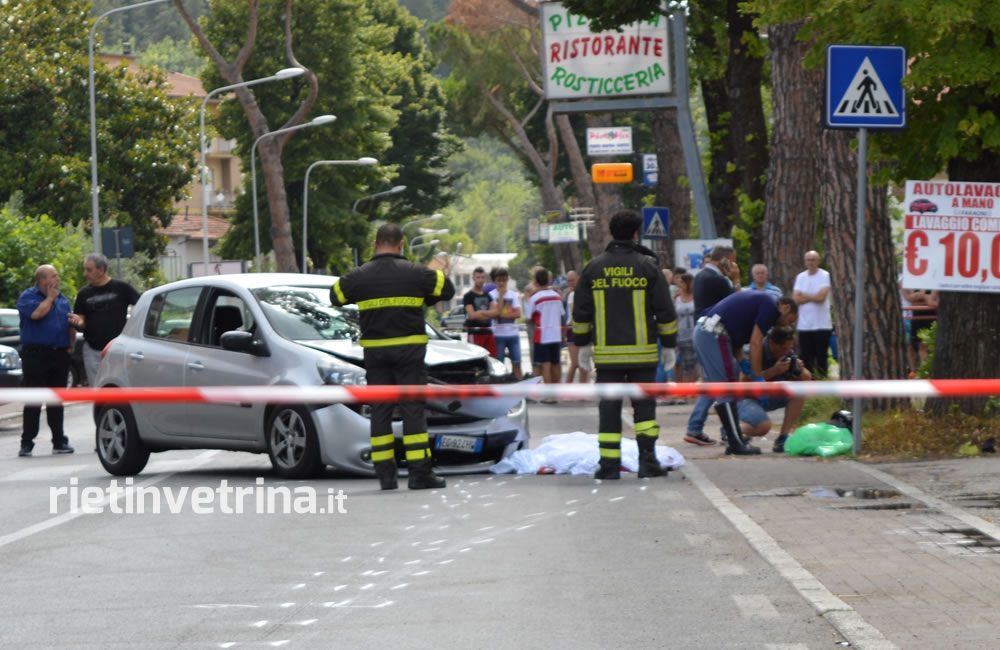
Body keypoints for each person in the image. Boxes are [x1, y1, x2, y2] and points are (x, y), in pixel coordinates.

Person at [330, 224, 455, 490]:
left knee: (381, 410)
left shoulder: (360, 276)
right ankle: (419, 474)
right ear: (401, 245)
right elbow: (448, 290)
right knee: (412, 410)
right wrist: (426, 297)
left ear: (375, 245)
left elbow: (336, 295)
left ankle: (385, 476)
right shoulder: (418, 273)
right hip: (410, 354)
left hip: (376, 355)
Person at [573, 210, 678, 480]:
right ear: (635, 234)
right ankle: (647, 462)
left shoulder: (594, 268)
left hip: (608, 358)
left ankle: (609, 466)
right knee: (645, 411)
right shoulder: (647, 266)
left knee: (609, 411)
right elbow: (665, 311)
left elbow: (581, 312)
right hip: (643, 355)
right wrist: (668, 345)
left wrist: (583, 345)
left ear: (611, 233)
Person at [692, 291, 798, 455]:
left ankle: (735, 439)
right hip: (714, 333)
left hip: (710, 331)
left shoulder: (761, 305)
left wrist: (742, 362)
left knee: (728, 382)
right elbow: (756, 343)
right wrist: (757, 377)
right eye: (790, 320)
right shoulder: (771, 307)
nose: (786, 326)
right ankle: (735, 442)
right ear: (785, 308)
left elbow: (737, 339)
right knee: (727, 387)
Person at [16, 265, 75, 457]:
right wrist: (50, 299)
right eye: (53, 276)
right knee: (34, 400)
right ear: (42, 281)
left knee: (56, 400)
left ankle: (59, 440)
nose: (58, 279)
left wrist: (70, 347)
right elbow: (36, 314)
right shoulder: (28, 297)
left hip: (59, 354)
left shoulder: (63, 300)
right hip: (36, 355)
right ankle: (27, 443)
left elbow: (69, 324)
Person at [684, 246, 740, 446]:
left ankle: (696, 427)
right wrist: (735, 280)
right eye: (731, 262)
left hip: (703, 332)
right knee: (726, 379)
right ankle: (728, 430)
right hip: (714, 334)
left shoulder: (701, 275)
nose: (734, 266)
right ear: (724, 261)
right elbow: (736, 302)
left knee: (712, 382)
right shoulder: (717, 280)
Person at [735, 327, 812, 453]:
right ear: (772, 343)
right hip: (746, 398)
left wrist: (800, 369)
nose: (787, 351)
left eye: (789, 348)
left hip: (768, 396)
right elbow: (744, 382)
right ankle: (732, 429)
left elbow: (808, 378)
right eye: (783, 348)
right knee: (763, 427)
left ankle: (783, 439)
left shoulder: (787, 353)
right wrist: (774, 371)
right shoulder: (753, 350)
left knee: (799, 390)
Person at [68, 253, 141, 386]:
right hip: (92, 350)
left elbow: (142, 305)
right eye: (85, 269)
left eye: (89, 270)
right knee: (96, 389)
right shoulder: (84, 293)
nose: (85, 274)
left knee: (119, 387)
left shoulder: (121, 288)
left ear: (101, 270)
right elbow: (81, 321)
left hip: (118, 349)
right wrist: (78, 323)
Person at [525, 267, 564, 399]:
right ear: (548, 280)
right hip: (556, 334)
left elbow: (529, 318)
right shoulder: (557, 296)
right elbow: (561, 314)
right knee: (556, 364)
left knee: (546, 365)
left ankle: (549, 396)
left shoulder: (535, 298)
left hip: (542, 335)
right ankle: (556, 392)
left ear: (535, 280)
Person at [793, 250, 832, 377]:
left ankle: (822, 384)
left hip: (822, 324)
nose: (811, 262)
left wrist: (803, 294)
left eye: (813, 259)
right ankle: (807, 384)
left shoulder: (824, 275)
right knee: (806, 357)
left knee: (821, 357)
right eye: (808, 260)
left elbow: (821, 298)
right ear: (805, 262)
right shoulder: (800, 277)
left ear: (818, 261)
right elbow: (795, 298)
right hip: (805, 325)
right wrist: (813, 297)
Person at [486, 268, 523, 380]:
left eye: (504, 280)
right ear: (495, 281)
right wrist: (501, 296)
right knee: (499, 364)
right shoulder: (491, 295)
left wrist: (500, 314)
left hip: (513, 334)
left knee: (517, 362)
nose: (501, 283)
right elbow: (495, 314)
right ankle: (500, 386)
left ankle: (520, 388)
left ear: (507, 280)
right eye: (499, 280)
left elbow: (517, 314)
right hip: (498, 335)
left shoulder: (513, 294)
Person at [673, 273, 698, 398]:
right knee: (680, 362)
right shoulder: (677, 298)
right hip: (680, 333)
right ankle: (681, 388)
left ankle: (691, 387)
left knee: (691, 362)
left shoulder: (695, 297)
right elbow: (672, 314)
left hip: (693, 333)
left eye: (682, 282)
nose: (679, 284)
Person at [563, 271, 590, 385]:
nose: (570, 283)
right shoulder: (572, 295)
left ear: (578, 279)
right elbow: (574, 312)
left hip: (584, 329)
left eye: (572, 280)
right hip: (573, 330)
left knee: (584, 362)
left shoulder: (583, 292)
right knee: (575, 363)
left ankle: (583, 389)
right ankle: (567, 390)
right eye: (568, 281)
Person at [462, 266, 496, 357]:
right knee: (477, 360)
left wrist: (480, 313)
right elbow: (472, 315)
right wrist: (488, 313)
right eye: (478, 277)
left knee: (492, 359)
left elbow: (496, 312)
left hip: (488, 332)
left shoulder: (488, 295)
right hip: (475, 333)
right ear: (473, 278)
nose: (480, 280)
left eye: (482, 277)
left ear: (485, 278)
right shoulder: (468, 296)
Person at [903, 287, 938, 368]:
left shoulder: (933, 283)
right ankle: (918, 371)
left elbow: (931, 301)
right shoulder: (914, 282)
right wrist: (925, 296)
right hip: (916, 315)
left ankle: (929, 370)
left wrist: (920, 296)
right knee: (920, 345)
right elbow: (911, 299)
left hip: (931, 315)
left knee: (930, 345)